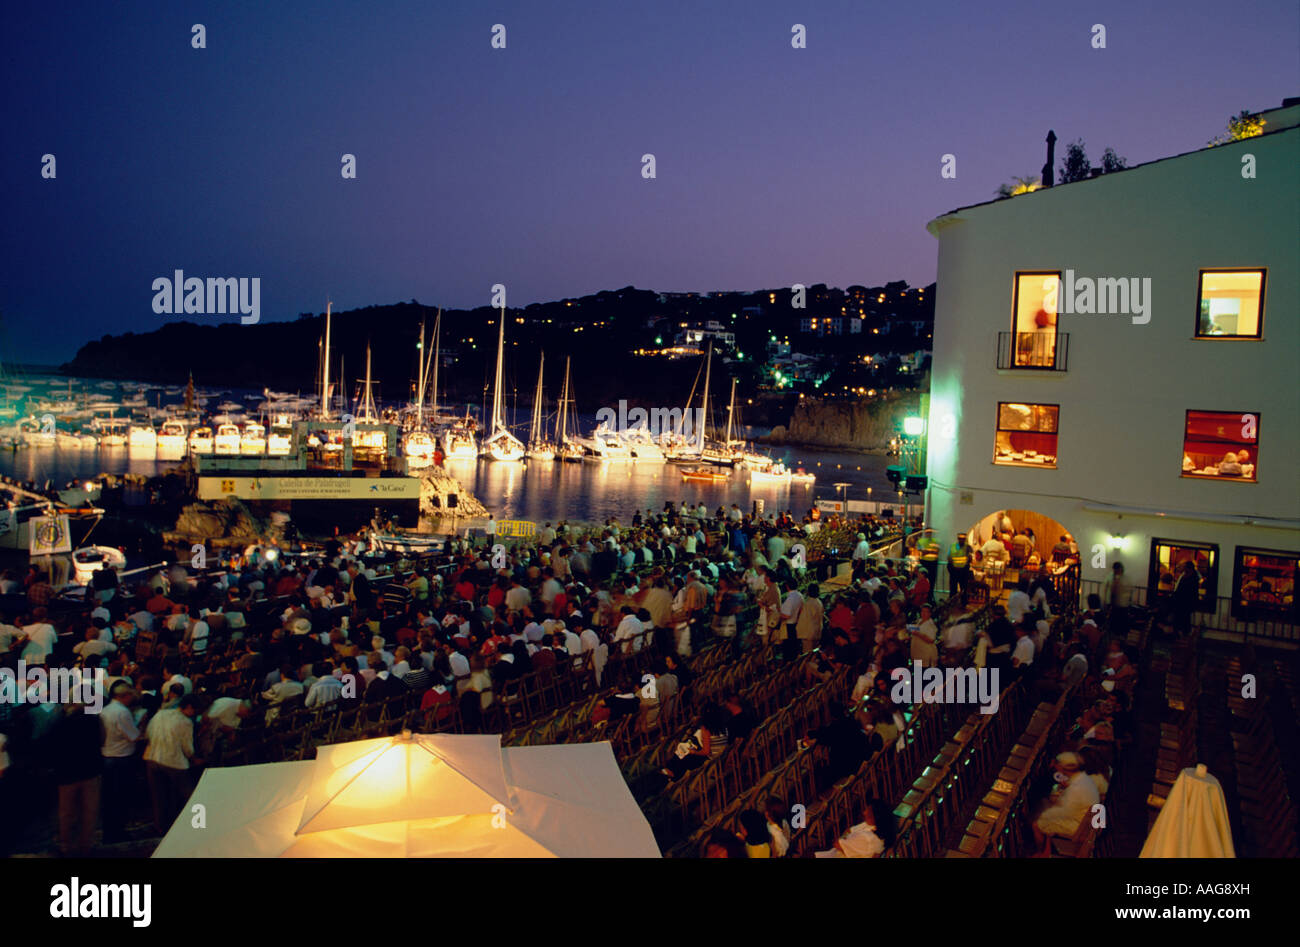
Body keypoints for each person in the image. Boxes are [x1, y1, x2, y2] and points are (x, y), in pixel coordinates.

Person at [143, 694, 199, 834]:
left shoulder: (160, 714)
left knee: (158, 797)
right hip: (174, 761)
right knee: (189, 795)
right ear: (190, 708)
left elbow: (148, 733)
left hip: (152, 757)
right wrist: (194, 758)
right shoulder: (185, 722)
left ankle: (161, 827)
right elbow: (187, 747)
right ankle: (197, 824)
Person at [1031, 752, 1101, 855]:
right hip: (1085, 824)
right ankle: (1047, 850)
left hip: (1077, 827)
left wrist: (1044, 814)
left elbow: (1065, 812)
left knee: (1037, 824)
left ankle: (1040, 853)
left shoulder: (1075, 788)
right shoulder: (1084, 779)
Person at [100, 680, 142, 845]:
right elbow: (133, 735)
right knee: (120, 798)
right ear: (124, 696)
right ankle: (117, 832)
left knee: (110, 798)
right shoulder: (122, 712)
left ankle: (110, 832)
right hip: (120, 758)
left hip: (107, 756)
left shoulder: (106, 710)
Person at [1172, 561, 1199, 637]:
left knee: (1183, 619)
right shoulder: (1187, 575)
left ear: (1188, 568)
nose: (1183, 568)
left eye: (1184, 566)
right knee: (1182, 619)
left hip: (1184, 602)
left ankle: (1182, 635)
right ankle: (1180, 633)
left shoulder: (1191, 577)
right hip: (1182, 602)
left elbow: (1188, 591)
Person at [947, 532, 971, 601]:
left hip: (963, 571)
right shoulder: (953, 546)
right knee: (953, 588)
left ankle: (963, 603)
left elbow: (970, 558)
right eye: (960, 539)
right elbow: (949, 557)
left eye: (963, 539)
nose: (962, 540)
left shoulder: (967, 547)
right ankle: (952, 602)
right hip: (954, 570)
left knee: (964, 588)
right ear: (958, 539)